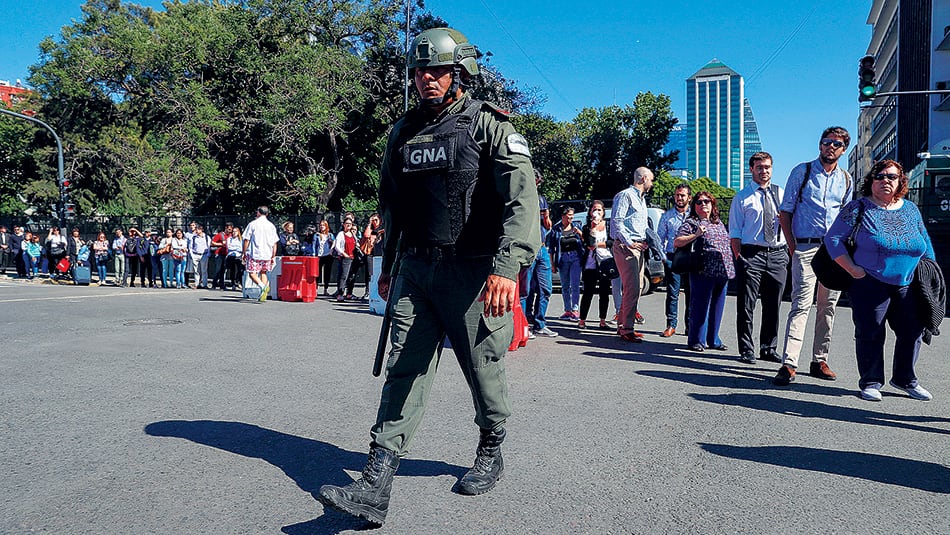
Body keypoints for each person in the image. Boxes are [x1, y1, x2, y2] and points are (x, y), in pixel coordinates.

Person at [317, 27, 540, 527]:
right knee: (404, 368)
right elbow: (393, 202)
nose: (426, 79)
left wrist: (507, 268)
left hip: (474, 272)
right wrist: (390, 263)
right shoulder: (403, 132)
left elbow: (522, 200)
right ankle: (376, 482)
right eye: (419, 71)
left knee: (482, 367)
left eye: (437, 70)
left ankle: (491, 445)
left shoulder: (490, 125)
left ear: (460, 73)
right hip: (416, 270)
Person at [826, 160, 936, 401]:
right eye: (880, 176)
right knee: (871, 332)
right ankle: (871, 381)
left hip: (908, 282)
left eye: (892, 177)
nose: (886, 180)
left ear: (900, 181)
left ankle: (905, 379)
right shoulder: (858, 208)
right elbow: (833, 239)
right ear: (871, 181)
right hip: (869, 282)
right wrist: (852, 269)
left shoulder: (910, 209)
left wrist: (930, 270)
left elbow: (924, 240)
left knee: (912, 331)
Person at [773, 127, 854, 385]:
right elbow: (785, 211)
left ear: (843, 150)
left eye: (837, 144)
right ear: (820, 145)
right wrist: (793, 246)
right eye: (827, 141)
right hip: (806, 247)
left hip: (833, 251)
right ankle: (789, 364)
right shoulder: (803, 171)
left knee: (827, 307)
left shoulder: (846, 179)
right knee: (800, 305)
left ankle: (819, 359)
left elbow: (847, 217)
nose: (831, 146)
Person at [729, 152, 789, 364]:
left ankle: (768, 348)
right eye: (759, 167)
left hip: (777, 254)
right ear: (751, 169)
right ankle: (746, 349)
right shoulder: (742, 197)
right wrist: (740, 257)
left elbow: (790, 223)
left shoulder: (780, 193)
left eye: (767, 167)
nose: (764, 171)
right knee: (746, 305)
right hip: (751, 254)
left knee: (773, 305)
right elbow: (735, 232)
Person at [674, 192, 735, 352]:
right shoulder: (691, 223)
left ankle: (714, 340)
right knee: (700, 307)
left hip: (723, 270)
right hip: (702, 270)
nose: (703, 204)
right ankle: (696, 340)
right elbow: (677, 242)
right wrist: (695, 235)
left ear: (712, 204)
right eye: (699, 202)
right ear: (694, 206)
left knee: (717, 308)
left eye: (707, 201)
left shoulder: (718, 222)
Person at [611, 166, 654, 342]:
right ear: (643, 179)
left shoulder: (641, 199)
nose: (652, 183)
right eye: (651, 179)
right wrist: (629, 242)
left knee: (636, 288)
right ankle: (627, 329)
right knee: (632, 288)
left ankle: (623, 325)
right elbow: (617, 221)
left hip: (637, 247)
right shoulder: (625, 195)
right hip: (626, 247)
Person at [522, 170, 557, 337]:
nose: (536, 185)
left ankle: (540, 324)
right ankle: (523, 325)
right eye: (535, 181)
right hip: (528, 246)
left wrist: (546, 216)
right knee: (525, 289)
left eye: (538, 182)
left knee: (546, 289)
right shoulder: (522, 196)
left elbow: (548, 226)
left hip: (542, 247)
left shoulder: (541, 199)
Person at [657, 183, 692, 337]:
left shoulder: (694, 215)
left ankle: (690, 326)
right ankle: (671, 325)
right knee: (673, 293)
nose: (679, 198)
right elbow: (659, 238)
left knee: (691, 293)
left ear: (689, 197)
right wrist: (664, 258)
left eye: (682, 195)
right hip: (673, 257)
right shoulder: (667, 216)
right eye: (677, 195)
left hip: (691, 257)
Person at [578, 200, 613, 329]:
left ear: (603, 212)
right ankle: (582, 320)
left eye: (599, 210)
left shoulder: (608, 225)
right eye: (594, 209)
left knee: (604, 293)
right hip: (590, 263)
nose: (596, 212)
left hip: (605, 261)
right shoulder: (586, 227)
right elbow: (589, 244)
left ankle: (602, 320)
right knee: (588, 292)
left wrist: (599, 245)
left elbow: (611, 242)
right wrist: (593, 227)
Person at [550, 206, 583, 320]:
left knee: (575, 284)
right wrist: (552, 264)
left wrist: (579, 233)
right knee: (565, 286)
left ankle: (575, 309)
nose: (571, 218)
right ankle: (567, 310)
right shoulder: (556, 229)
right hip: (563, 258)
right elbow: (551, 249)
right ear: (563, 216)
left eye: (572, 216)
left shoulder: (576, 226)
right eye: (569, 216)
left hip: (575, 257)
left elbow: (585, 240)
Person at [242, 206, 279, 301]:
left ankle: (263, 287)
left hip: (255, 253)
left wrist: (244, 252)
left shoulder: (253, 224)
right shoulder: (271, 226)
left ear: (258, 212)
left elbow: (246, 239)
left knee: (252, 273)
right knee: (263, 272)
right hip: (267, 253)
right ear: (267, 214)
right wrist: (273, 255)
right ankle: (263, 293)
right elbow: (275, 242)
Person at [332, 219, 358, 301]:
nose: (348, 225)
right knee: (343, 276)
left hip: (353, 258)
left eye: (350, 223)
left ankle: (349, 293)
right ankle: (340, 294)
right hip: (345, 258)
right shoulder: (341, 234)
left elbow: (357, 243)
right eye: (347, 223)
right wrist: (343, 253)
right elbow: (337, 246)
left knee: (352, 276)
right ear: (343, 224)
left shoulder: (353, 234)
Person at [314, 219, 335, 296]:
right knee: (317, 273)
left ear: (326, 226)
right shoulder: (317, 235)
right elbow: (314, 245)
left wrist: (331, 249)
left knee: (327, 272)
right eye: (321, 225)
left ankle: (326, 289)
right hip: (319, 256)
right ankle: (315, 289)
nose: (322, 227)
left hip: (328, 255)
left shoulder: (330, 235)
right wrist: (314, 255)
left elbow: (334, 242)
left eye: (323, 225)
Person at [209, 223, 233, 289]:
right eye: (229, 229)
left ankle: (221, 284)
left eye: (231, 229)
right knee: (218, 269)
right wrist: (221, 244)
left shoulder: (230, 236)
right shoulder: (220, 235)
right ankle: (214, 284)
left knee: (223, 270)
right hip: (219, 254)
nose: (230, 231)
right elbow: (212, 243)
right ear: (226, 228)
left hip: (226, 254)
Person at [190, 224, 211, 289]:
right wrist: (192, 254)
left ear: (201, 230)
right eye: (196, 229)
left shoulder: (207, 237)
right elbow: (190, 247)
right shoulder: (193, 237)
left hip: (204, 255)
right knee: (196, 270)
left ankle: (204, 284)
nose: (197, 231)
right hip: (195, 254)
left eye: (198, 229)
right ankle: (197, 284)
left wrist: (208, 253)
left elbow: (209, 246)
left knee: (204, 270)